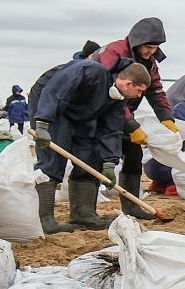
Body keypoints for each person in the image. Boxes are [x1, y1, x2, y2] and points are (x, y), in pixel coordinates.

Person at [31, 59, 151, 234]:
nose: (138, 96)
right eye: (139, 90)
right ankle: (44, 219)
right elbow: (55, 90)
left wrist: (109, 163)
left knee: (90, 154)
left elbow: (110, 129)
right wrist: (43, 123)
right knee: (54, 156)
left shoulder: (117, 99)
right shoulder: (90, 71)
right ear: (128, 83)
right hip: (50, 105)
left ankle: (83, 215)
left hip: (80, 114)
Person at [97, 19, 177, 220]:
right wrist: (131, 125)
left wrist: (166, 117)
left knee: (134, 155)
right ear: (137, 41)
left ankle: (131, 207)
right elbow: (110, 93)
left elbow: (156, 90)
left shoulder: (149, 63)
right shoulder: (113, 54)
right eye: (148, 47)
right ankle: (85, 213)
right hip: (98, 112)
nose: (151, 52)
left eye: (155, 48)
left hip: (123, 114)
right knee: (95, 158)